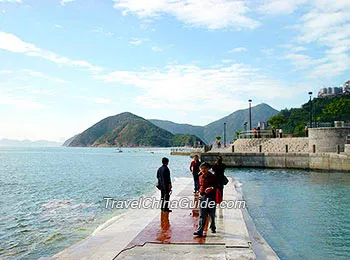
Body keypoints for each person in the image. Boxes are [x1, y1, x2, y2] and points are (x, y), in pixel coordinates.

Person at [193, 162, 218, 237]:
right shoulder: (200, 176)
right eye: (202, 168)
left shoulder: (213, 176)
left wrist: (211, 188)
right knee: (202, 214)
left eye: (204, 168)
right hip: (202, 197)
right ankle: (200, 230)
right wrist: (198, 192)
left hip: (211, 197)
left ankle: (213, 226)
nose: (203, 170)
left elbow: (218, 185)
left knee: (211, 214)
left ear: (207, 169)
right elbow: (200, 185)